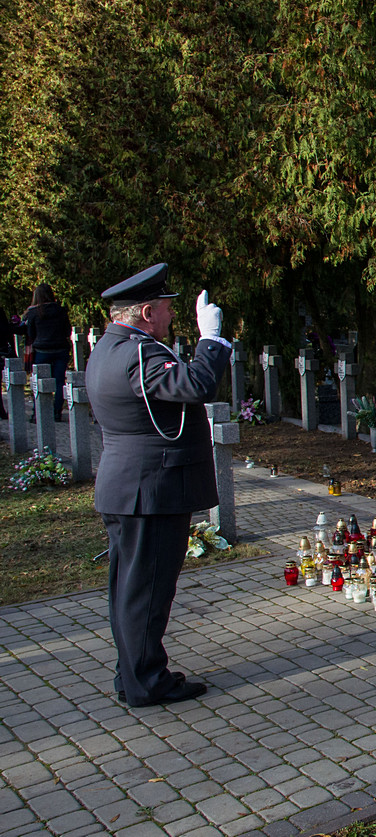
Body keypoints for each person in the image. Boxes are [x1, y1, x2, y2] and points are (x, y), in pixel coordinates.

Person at [86, 263, 231, 707]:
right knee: (147, 592)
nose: (172, 315)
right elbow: (197, 385)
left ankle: (131, 674)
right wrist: (211, 340)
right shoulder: (138, 354)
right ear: (147, 313)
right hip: (151, 490)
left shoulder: (110, 347)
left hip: (129, 487)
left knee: (128, 591)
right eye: (167, 308)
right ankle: (147, 682)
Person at [23, 283, 73, 421]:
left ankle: (38, 412)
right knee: (59, 382)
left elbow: (30, 333)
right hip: (60, 349)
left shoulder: (34, 313)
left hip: (42, 350)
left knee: (39, 382)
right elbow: (67, 331)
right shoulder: (60, 311)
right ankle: (57, 412)